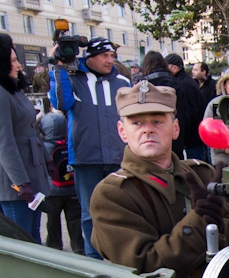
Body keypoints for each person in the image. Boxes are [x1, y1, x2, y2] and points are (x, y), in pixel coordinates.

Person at [90, 82, 229, 278]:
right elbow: (143, 267)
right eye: (137, 123)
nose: (148, 130)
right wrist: (199, 223)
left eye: (157, 122)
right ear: (122, 131)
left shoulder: (202, 174)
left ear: (175, 129)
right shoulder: (113, 194)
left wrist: (217, 224)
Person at [49, 36, 131, 259]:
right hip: (86, 158)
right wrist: (58, 67)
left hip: (118, 157)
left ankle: (119, 255)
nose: (109, 60)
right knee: (89, 213)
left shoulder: (122, 82)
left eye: (112, 56)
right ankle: (94, 257)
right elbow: (61, 103)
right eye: (104, 56)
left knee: (120, 210)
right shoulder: (74, 79)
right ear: (90, 58)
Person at [0, 34, 50, 242]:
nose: (19, 65)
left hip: (30, 174)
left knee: (34, 235)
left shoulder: (13, 90)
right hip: (14, 185)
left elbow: (30, 130)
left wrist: (47, 158)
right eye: (12, 60)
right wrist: (21, 183)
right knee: (22, 241)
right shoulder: (2, 93)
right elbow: (5, 142)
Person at [40, 110, 83, 253]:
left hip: (52, 190)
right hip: (72, 188)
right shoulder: (71, 143)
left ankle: (54, 244)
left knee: (52, 219)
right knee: (74, 219)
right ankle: (78, 246)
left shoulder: (43, 147)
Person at [142, 52, 190, 158]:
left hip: (152, 136)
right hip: (175, 133)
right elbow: (184, 111)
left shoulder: (143, 86)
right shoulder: (176, 83)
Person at [165, 53, 205, 161]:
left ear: (174, 68)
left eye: (166, 67)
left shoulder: (183, 84)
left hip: (192, 138)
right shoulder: (186, 81)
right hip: (194, 136)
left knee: (195, 169)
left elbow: (192, 111)